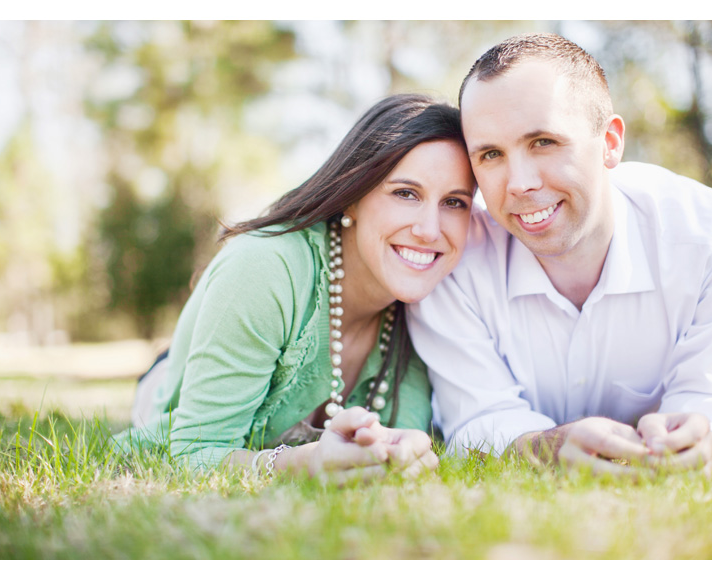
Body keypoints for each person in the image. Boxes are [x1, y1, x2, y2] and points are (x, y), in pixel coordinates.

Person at [407, 33, 712, 475]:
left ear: (610, 142)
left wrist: (700, 443)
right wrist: (547, 447)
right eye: (491, 154)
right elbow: (477, 417)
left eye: (543, 141)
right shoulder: (454, 260)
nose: (520, 183)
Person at [117, 94, 477, 482]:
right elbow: (191, 453)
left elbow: (403, 432)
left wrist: (400, 451)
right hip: (179, 369)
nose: (430, 230)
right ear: (353, 197)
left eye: (454, 202)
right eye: (405, 193)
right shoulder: (263, 267)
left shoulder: (433, 297)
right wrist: (303, 463)